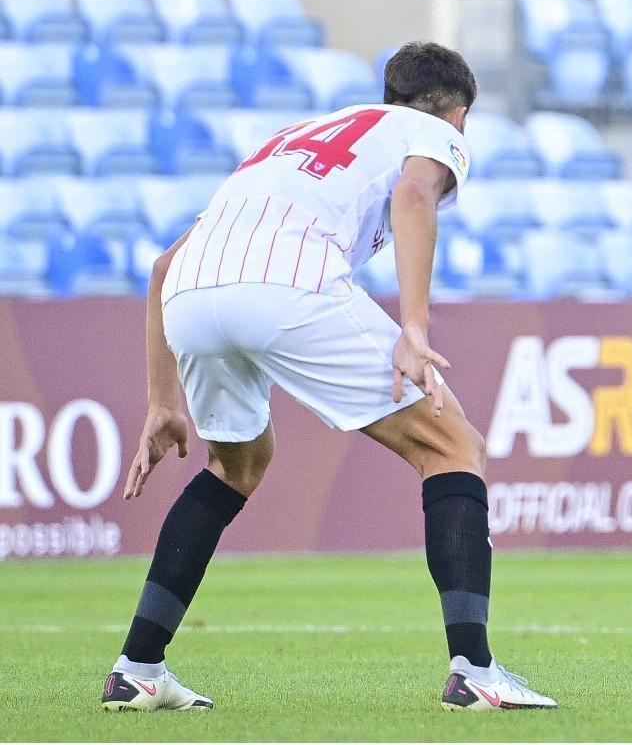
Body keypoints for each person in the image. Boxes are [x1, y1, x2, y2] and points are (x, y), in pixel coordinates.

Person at [101, 42, 556, 711]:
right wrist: (415, 328)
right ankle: (475, 671)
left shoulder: (290, 140)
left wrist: (162, 402)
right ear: (457, 116)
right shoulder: (430, 133)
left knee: (235, 466)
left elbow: (165, 267)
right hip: (288, 281)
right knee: (452, 446)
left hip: (193, 295)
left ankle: (137, 668)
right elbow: (413, 195)